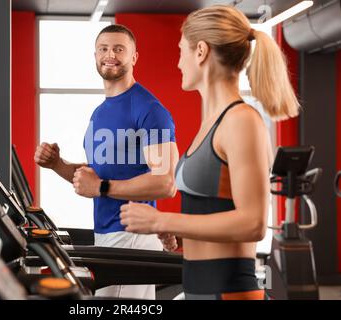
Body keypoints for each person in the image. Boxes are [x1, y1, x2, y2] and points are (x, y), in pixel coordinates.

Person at [120, 5, 299, 300]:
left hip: (229, 292)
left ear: (200, 51)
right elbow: (217, 212)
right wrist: (181, 235)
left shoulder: (241, 121)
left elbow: (253, 224)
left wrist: (162, 220)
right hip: (199, 289)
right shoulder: (212, 123)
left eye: (181, 51)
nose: (178, 63)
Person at [34, 24, 179, 299]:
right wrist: (58, 164)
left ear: (134, 57)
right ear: (95, 55)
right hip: (107, 234)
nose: (109, 55)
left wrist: (101, 187)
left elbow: (165, 182)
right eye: (103, 49)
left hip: (131, 236)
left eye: (119, 49)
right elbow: (95, 175)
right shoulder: (100, 112)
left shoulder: (149, 109)